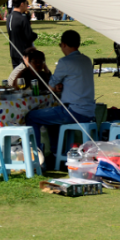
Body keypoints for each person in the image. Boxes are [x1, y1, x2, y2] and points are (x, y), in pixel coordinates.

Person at [25, 29, 96, 162]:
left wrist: (56, 85)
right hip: (89, 111)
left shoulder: (65, 62)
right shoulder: (86, 60)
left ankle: (37, 157)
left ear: (63, 44)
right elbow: (77, 81)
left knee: (32, 116)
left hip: (73, 111)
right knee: (51, 119)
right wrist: (63, 85)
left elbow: (51, 86)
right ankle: (56, 153)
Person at [6, 0, 38, 68]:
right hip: (24, 53)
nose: (27, 5)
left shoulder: (9, 17)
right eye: (27, 3)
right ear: (22, 4)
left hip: (13, 52)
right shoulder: (22, 19)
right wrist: (35, 35)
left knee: (17, 76)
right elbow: (29, 36)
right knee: (25, 77)